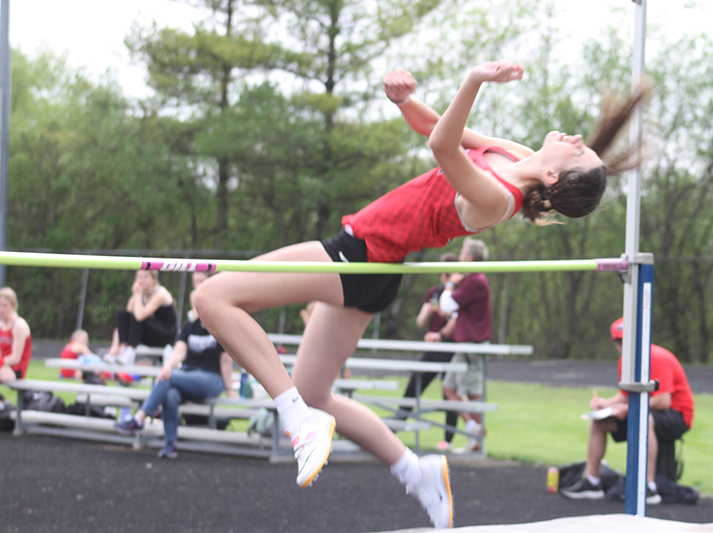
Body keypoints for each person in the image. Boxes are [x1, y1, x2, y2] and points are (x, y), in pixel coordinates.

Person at [195, 60, 650, 529]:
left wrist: (475, 79)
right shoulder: (516, 157)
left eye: (578, 154)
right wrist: (403, 100)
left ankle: (293, 418)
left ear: (553, 178)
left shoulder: (496, 199)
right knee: (314, 393)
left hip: (359, 255)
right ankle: (416, 470)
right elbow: (433, 125)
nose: (576, 141)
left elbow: (442, 146)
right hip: (376, 264)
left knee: (212, 299)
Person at [560, 318, 694, 505]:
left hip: (678, 414)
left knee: (643, 419)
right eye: (619, 342)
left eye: (627, 341)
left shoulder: (657, 357)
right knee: (599, 421)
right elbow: (625, 395)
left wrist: (627, 409)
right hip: (645, 410)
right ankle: (591, 481)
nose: (624, 346)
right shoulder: (625, 362)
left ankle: (648, 487)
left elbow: (664, 401)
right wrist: (605, 404)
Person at [114, 294, 235, 459]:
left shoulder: (218, 327)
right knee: (170, 394)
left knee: (169, 377)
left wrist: (229, 388)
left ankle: (140, 417)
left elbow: (225, 360)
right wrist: (168, 366)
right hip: (188, 375)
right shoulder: (189, 327)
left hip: (211, 379)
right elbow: (179, 351)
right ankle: (170, 444)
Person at [394, 252, 459, 448]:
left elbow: (458, 321)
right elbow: (421, 322)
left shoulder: (459, 294)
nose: (443, 277)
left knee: (449, 393)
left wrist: (445, 314)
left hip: (451, 349)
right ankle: (394, 429)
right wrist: (427, 312)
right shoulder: (434, 292)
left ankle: (448, 440)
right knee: (414, 386)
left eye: (447, 273)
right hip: (432, 349)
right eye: (442, 273)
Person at [438, 238, 493, 453]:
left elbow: (446, 304)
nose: (459, 258)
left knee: (472, 391)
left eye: (462, 254)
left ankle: (477, 439)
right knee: (448, 387)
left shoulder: (475, 280)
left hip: (472, 346)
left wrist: (450, 283)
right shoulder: (472, 280)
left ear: (469, 258)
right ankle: (474, 428)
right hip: (465, 345)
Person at [107, 271, 178, 365]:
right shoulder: (139, 295)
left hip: (166, 336)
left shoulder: (161, 293)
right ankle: (123, 350)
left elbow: (139, 316)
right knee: (122, 313)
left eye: (145, 277)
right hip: (149, 334)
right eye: (139, 277)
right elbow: (125, 321)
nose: (141, 280)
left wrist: (137, 295)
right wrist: (115, 345)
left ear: (154, 280)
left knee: (138, 316)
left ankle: (130, 353)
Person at [0, 287, 32, 382]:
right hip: (3, 366)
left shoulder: (19, 325)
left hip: (16, 370)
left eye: (5, 306)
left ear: (13, 306)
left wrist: (1, 361)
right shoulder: (1, 325)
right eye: (0, 305)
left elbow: (16, 358)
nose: (1, 309)